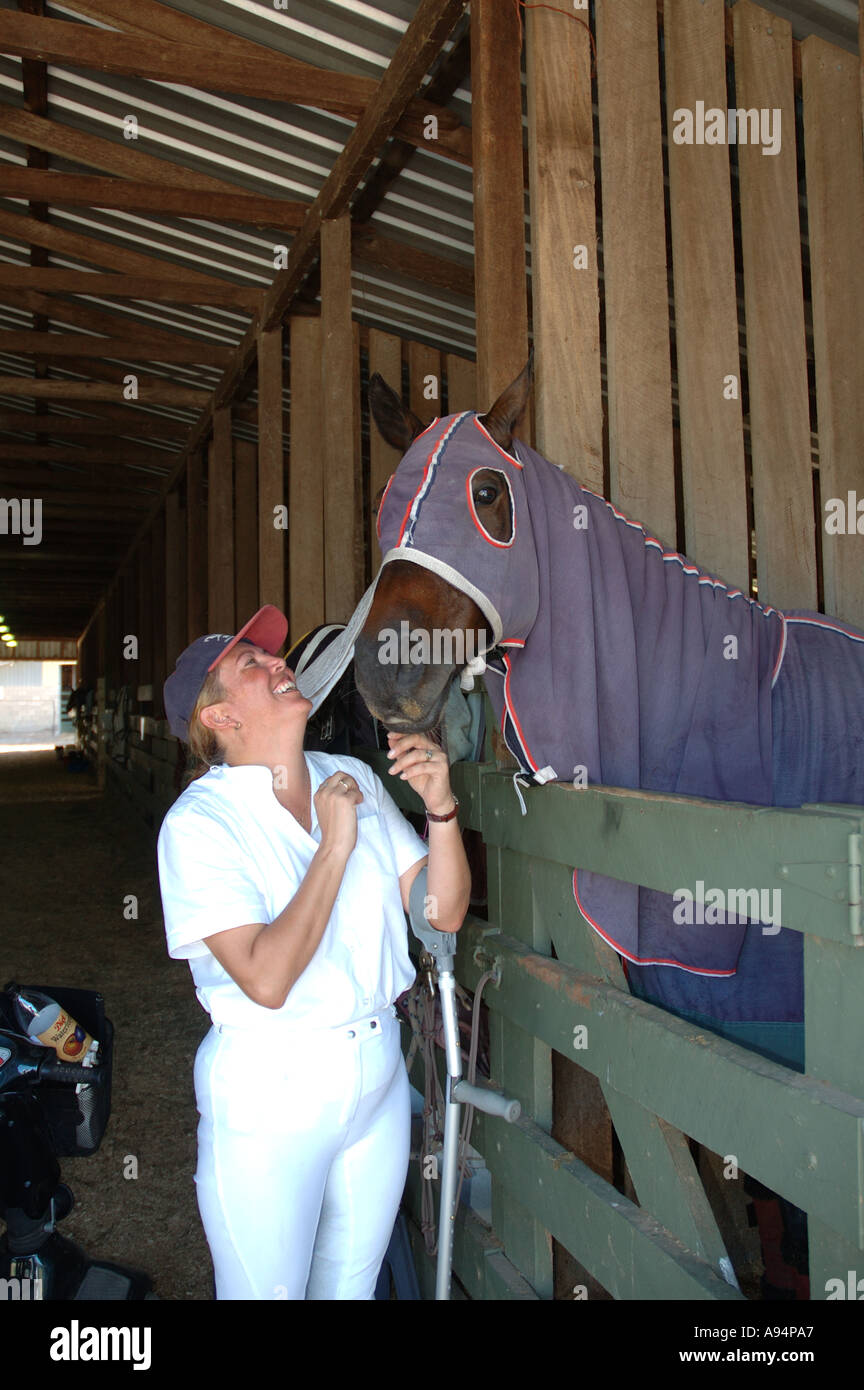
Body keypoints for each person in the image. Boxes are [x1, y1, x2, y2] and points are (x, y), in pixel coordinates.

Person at [156, 604, 471, 1300]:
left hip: (378, 1080)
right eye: (253, 664)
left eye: (273, 655)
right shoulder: (200, 825)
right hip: (273, 1092)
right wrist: (334, 845)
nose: (279, 663)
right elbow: (266, 979)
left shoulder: (347, 775)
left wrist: (441, 809)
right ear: (220, 719)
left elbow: (441, 915)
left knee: (349, 1292)